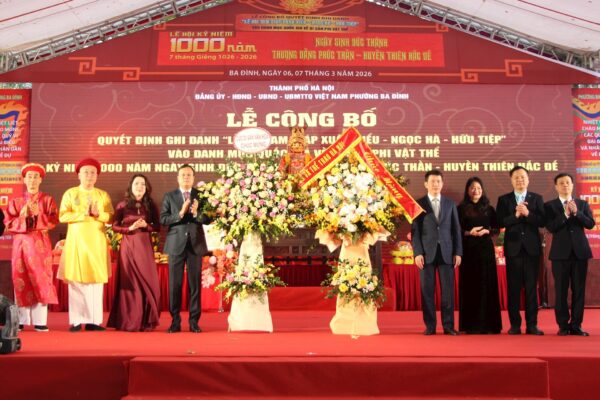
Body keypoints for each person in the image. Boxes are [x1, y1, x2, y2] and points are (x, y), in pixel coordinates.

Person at [58, 158, 114, 332]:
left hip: (97, 243)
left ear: (97, 176)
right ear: (79, 175)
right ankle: (76, 320)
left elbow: (111, 217)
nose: (89, 176)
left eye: (93, 173)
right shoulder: (70, 193)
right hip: (77, 243)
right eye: (86, 172)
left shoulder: (103, 195)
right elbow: (62, 216)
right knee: (76, 280)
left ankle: (94, 321)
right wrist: (83, 214)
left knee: (95, 283)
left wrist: (98, 215)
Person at [4, 163, 59, 332]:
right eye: (29, 177)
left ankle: (40, 321)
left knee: (41, 279)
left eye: (36, 177)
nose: (33, 180)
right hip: (21, 244)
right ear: (24, 180)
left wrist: (37, 215)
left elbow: (53, 220)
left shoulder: (48, 200)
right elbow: (8, 224)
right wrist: (23, 216)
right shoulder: (16, 202)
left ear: (41, 180)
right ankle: (21, 320)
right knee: (20, 279)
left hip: (40, 244)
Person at [411, 169, 462, 335]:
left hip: (447, 252)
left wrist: (458, 252)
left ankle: (448, 326)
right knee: (427, 291)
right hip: (426, 254)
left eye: (438, 181)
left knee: (448, 292)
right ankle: (430, 326)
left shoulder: (450, 204)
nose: (436, 184)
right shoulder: (419, 204)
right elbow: (415, 231)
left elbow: (456, 229)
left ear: (442, 184)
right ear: (426, 184)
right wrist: (417, 253)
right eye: (432, 181)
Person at [107, 174, 161, 332]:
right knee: (129, 282)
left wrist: (146, 226)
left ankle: (146, 321)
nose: (139, 187)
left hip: (144, 247)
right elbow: (114, 226)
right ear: (131, 186)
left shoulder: (150, 205)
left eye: (143, 184)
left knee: (148, 281)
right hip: (128, 246)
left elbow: (157, 227)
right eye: (137, 183)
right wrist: (129, 228)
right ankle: (129, 320)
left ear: (146, 188)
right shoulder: (122, 205)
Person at [160, 164, 209, 333]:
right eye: (183, 175)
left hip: (195, 244)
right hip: (176, 244)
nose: (186, 177)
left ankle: (194, 321)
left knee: (194, 285)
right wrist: (180, 213)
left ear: (193, 178)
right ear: (178, 178)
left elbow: (208, 219)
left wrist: (196, 214)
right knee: (175, 284)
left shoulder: (201, 196)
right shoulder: (170, 196)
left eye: (189, 175)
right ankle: (175, 321)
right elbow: (163, 219)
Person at [496, 166, 545, 335]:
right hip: (513, 249)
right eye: (516, 177)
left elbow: (542, 221)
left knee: (531, 288)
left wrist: (528, 214)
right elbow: (499, 222)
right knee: (514, 289)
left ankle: (532, 325)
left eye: (523, 177)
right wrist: (515, 216)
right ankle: (515, 325)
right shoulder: (504, 200)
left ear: (528, 179)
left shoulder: (537, 198)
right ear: (511, 180)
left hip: (532, 250)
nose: (520, 180)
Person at [545, 173, 595, 336]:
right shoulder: (550, 206)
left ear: (572, 185)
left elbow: (590, 224)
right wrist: (566, 214)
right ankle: (563, 325)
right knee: (560, 290)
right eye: (561, 183)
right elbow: (551, 227)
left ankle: (576, 325)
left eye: (568, 182)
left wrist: (577, 213)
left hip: (580, 253)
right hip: (560, 254)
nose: (565, 185)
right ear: (556, 186)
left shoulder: (582, 204)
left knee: (578, 290)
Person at [457, 177, 502, 334]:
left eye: (478, 188)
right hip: (468, 250)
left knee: (486, 285)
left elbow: (497, 228)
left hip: (485, 251)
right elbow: (456, 230)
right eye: (472, 188)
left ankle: (489, 325)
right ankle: (470, 325)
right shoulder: (461, 209)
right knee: (470, 285)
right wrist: (469, 232)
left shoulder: (489, 208)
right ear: (467, 190)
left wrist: (487, 231)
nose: (475, 191)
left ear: (482, 190)